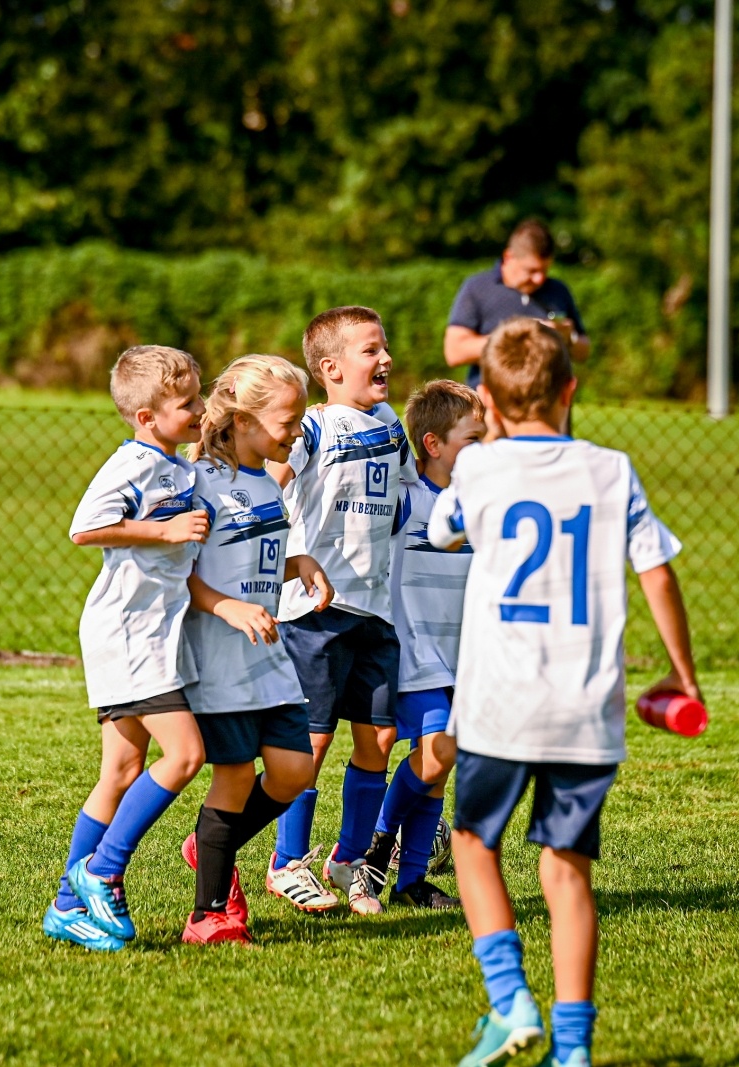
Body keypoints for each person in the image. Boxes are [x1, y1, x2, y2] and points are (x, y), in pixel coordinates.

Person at [429, 318, 703, 1067]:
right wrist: (682, 675)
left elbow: (441, 527)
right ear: (571, 389)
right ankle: (574, 1048)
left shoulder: (480, 471)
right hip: (587, 706)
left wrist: (477, 457)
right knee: (566, 870)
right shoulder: (611, 470)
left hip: (499, 703)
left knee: (472, 844)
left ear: (486, 399)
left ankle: (510, 996)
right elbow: (656, 571)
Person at [45, 345, 211, 953]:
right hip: (129, 629)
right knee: (186, 755)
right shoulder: (132, 465)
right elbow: (84, 528)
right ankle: (101, 871)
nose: (197, 409)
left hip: (153, 629)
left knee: (120, 770)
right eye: (185, 403)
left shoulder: (175, 463)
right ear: (145, 417)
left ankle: (67, 906)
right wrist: (164, 529)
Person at [177, 354, 335, 944]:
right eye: (287, 423)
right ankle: (209, 915)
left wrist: (299, 562)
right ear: (242, 421)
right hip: (220, 655)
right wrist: (227, 606)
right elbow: (180, 572)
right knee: (236, 777)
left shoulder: (267, 481)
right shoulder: (200, 481)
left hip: (268, 654)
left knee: (293, 771)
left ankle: (208, 845)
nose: (295, 434)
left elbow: (260, 554)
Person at [266, 305, 418, 916]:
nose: (385, 360)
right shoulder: (311, 429)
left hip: (376, 607)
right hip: (316, 608)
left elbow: (412, 489)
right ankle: (285, 862)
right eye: (370, 351)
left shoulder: (388, 425)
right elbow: (268, 479)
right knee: (312, 742)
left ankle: (349, 859)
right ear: (330, 368)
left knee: (379, 736)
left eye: (385, 349)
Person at [363, 380, 486, 910]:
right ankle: (377, 846)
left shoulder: (483, 504)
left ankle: (412, 880)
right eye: (472, 440)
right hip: (415, 650)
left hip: (468, 654)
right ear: (433, 445)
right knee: (438, 756)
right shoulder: (406, 497)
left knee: (437, 768)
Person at [444, 220, 591, 391]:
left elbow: (584, 351)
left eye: (545, 270)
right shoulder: (478, 288)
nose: (539, 279)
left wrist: (567, 338)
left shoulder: (558, 290)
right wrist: (525, 334)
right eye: (531, 271)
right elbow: (454, 352)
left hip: (548, 405)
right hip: (489, 406)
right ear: (509, 257)